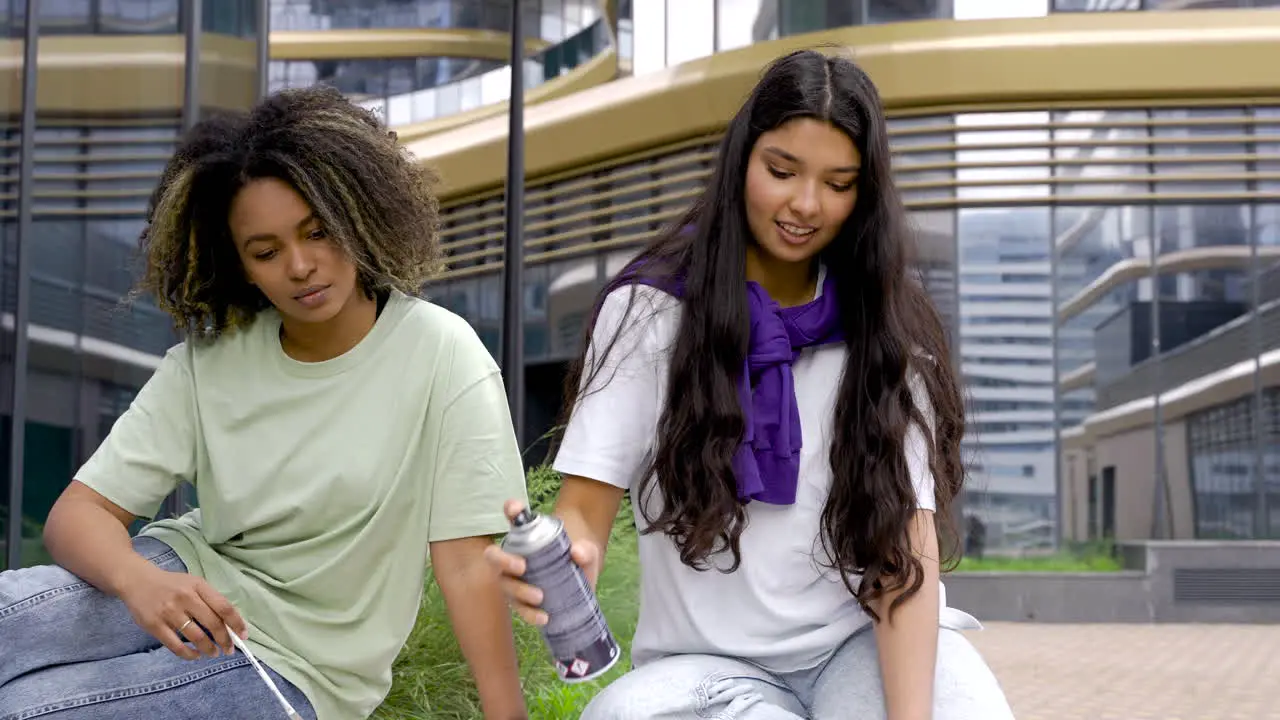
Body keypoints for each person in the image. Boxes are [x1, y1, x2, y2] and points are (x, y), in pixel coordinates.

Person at [486, 49, 1016, 720]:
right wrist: (566, 560)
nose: (805, 204)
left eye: (838, 182)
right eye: (781, 170)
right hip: (702, 667)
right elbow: (584, 514)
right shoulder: (651, 311)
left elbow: (904, 554)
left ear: (866, 193)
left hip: (855, 647)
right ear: (742, 160)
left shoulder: (885, 334)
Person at [0, 86, 529, 720]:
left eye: (318, 231)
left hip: (302, 666)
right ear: (242, 266)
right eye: (267, 251)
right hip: (185, 578)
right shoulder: (211, 362)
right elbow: (79, 512)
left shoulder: (444, 354)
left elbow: (468, 568)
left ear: (359, 216)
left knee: (31, 709)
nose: (301, 266)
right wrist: (141, 582)